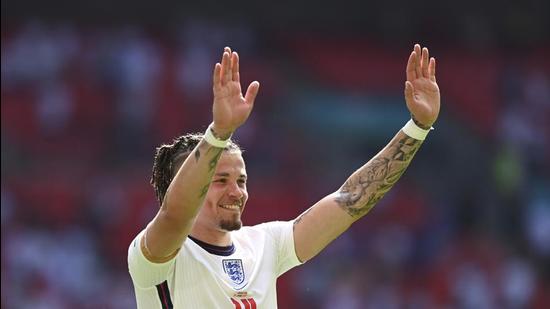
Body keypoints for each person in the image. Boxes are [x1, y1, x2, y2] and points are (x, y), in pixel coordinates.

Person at [128, 44, 440, 308]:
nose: (236, 192)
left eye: (241, 180)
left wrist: (417, 128)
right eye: (220, 181)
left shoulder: (265, 243)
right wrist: (219, 133)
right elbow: (175, 214)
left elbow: (350, 200)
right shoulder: (157, 257)